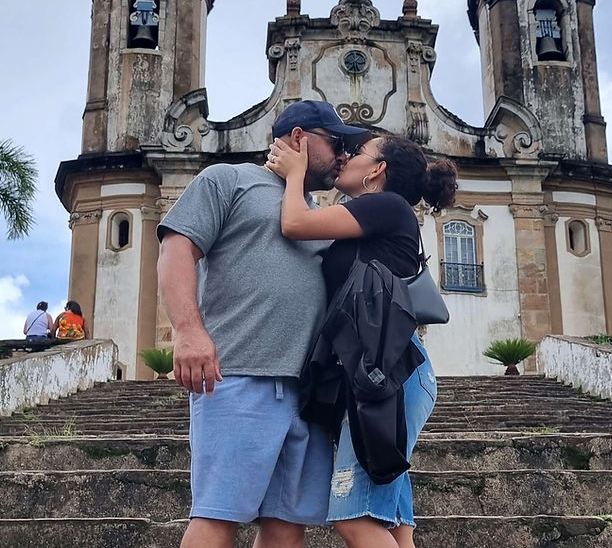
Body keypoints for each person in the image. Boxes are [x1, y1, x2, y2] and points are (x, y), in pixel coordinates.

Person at [156, 100, 366, 548]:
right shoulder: (227, 179)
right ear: (299, 139)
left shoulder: (313, 214)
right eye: (337, 143)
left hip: (309, 394)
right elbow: (177, 250)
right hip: (238, 375)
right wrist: (189, 331)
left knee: (288, 527)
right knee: (218, 515)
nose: (344, 155)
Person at [266, 132, 457, 548]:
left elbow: (295, 223)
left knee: (355, 517)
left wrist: (296, 173)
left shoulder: (386, 206)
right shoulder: (369, 215)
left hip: (391, 373)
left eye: (360, 153)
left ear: (377, 170)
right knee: (396, 527)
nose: (348, 157)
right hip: (387, 371)